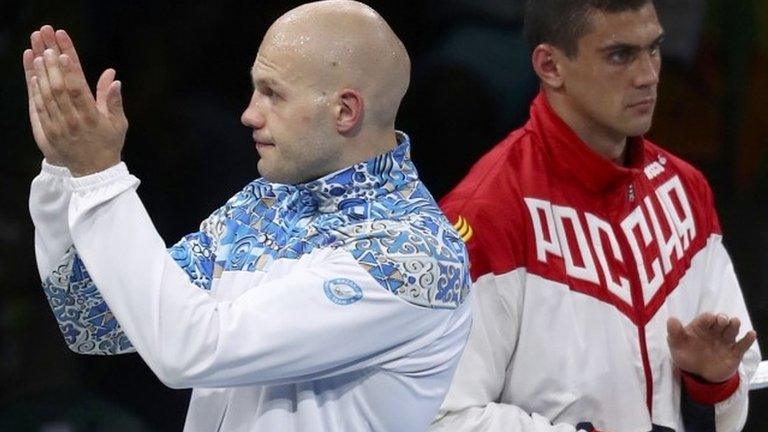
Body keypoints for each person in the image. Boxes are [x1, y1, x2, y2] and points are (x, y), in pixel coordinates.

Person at [25, 1, 471, 431]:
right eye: (255, 89)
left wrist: (101, 176)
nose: (249, 114)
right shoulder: (261, 206)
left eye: (273, 94)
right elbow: (91, 320)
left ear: (344, 110)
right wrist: (67, 171)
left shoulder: (413, 255)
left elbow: (192, 351)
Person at [431, 0, 760, 431]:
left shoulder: (684, 188)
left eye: (654, 49)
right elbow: (443, 417)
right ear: (550, 65)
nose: (648, 76)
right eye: (620, 55)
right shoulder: (486, 213)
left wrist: (710, 382)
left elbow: (736, 386)